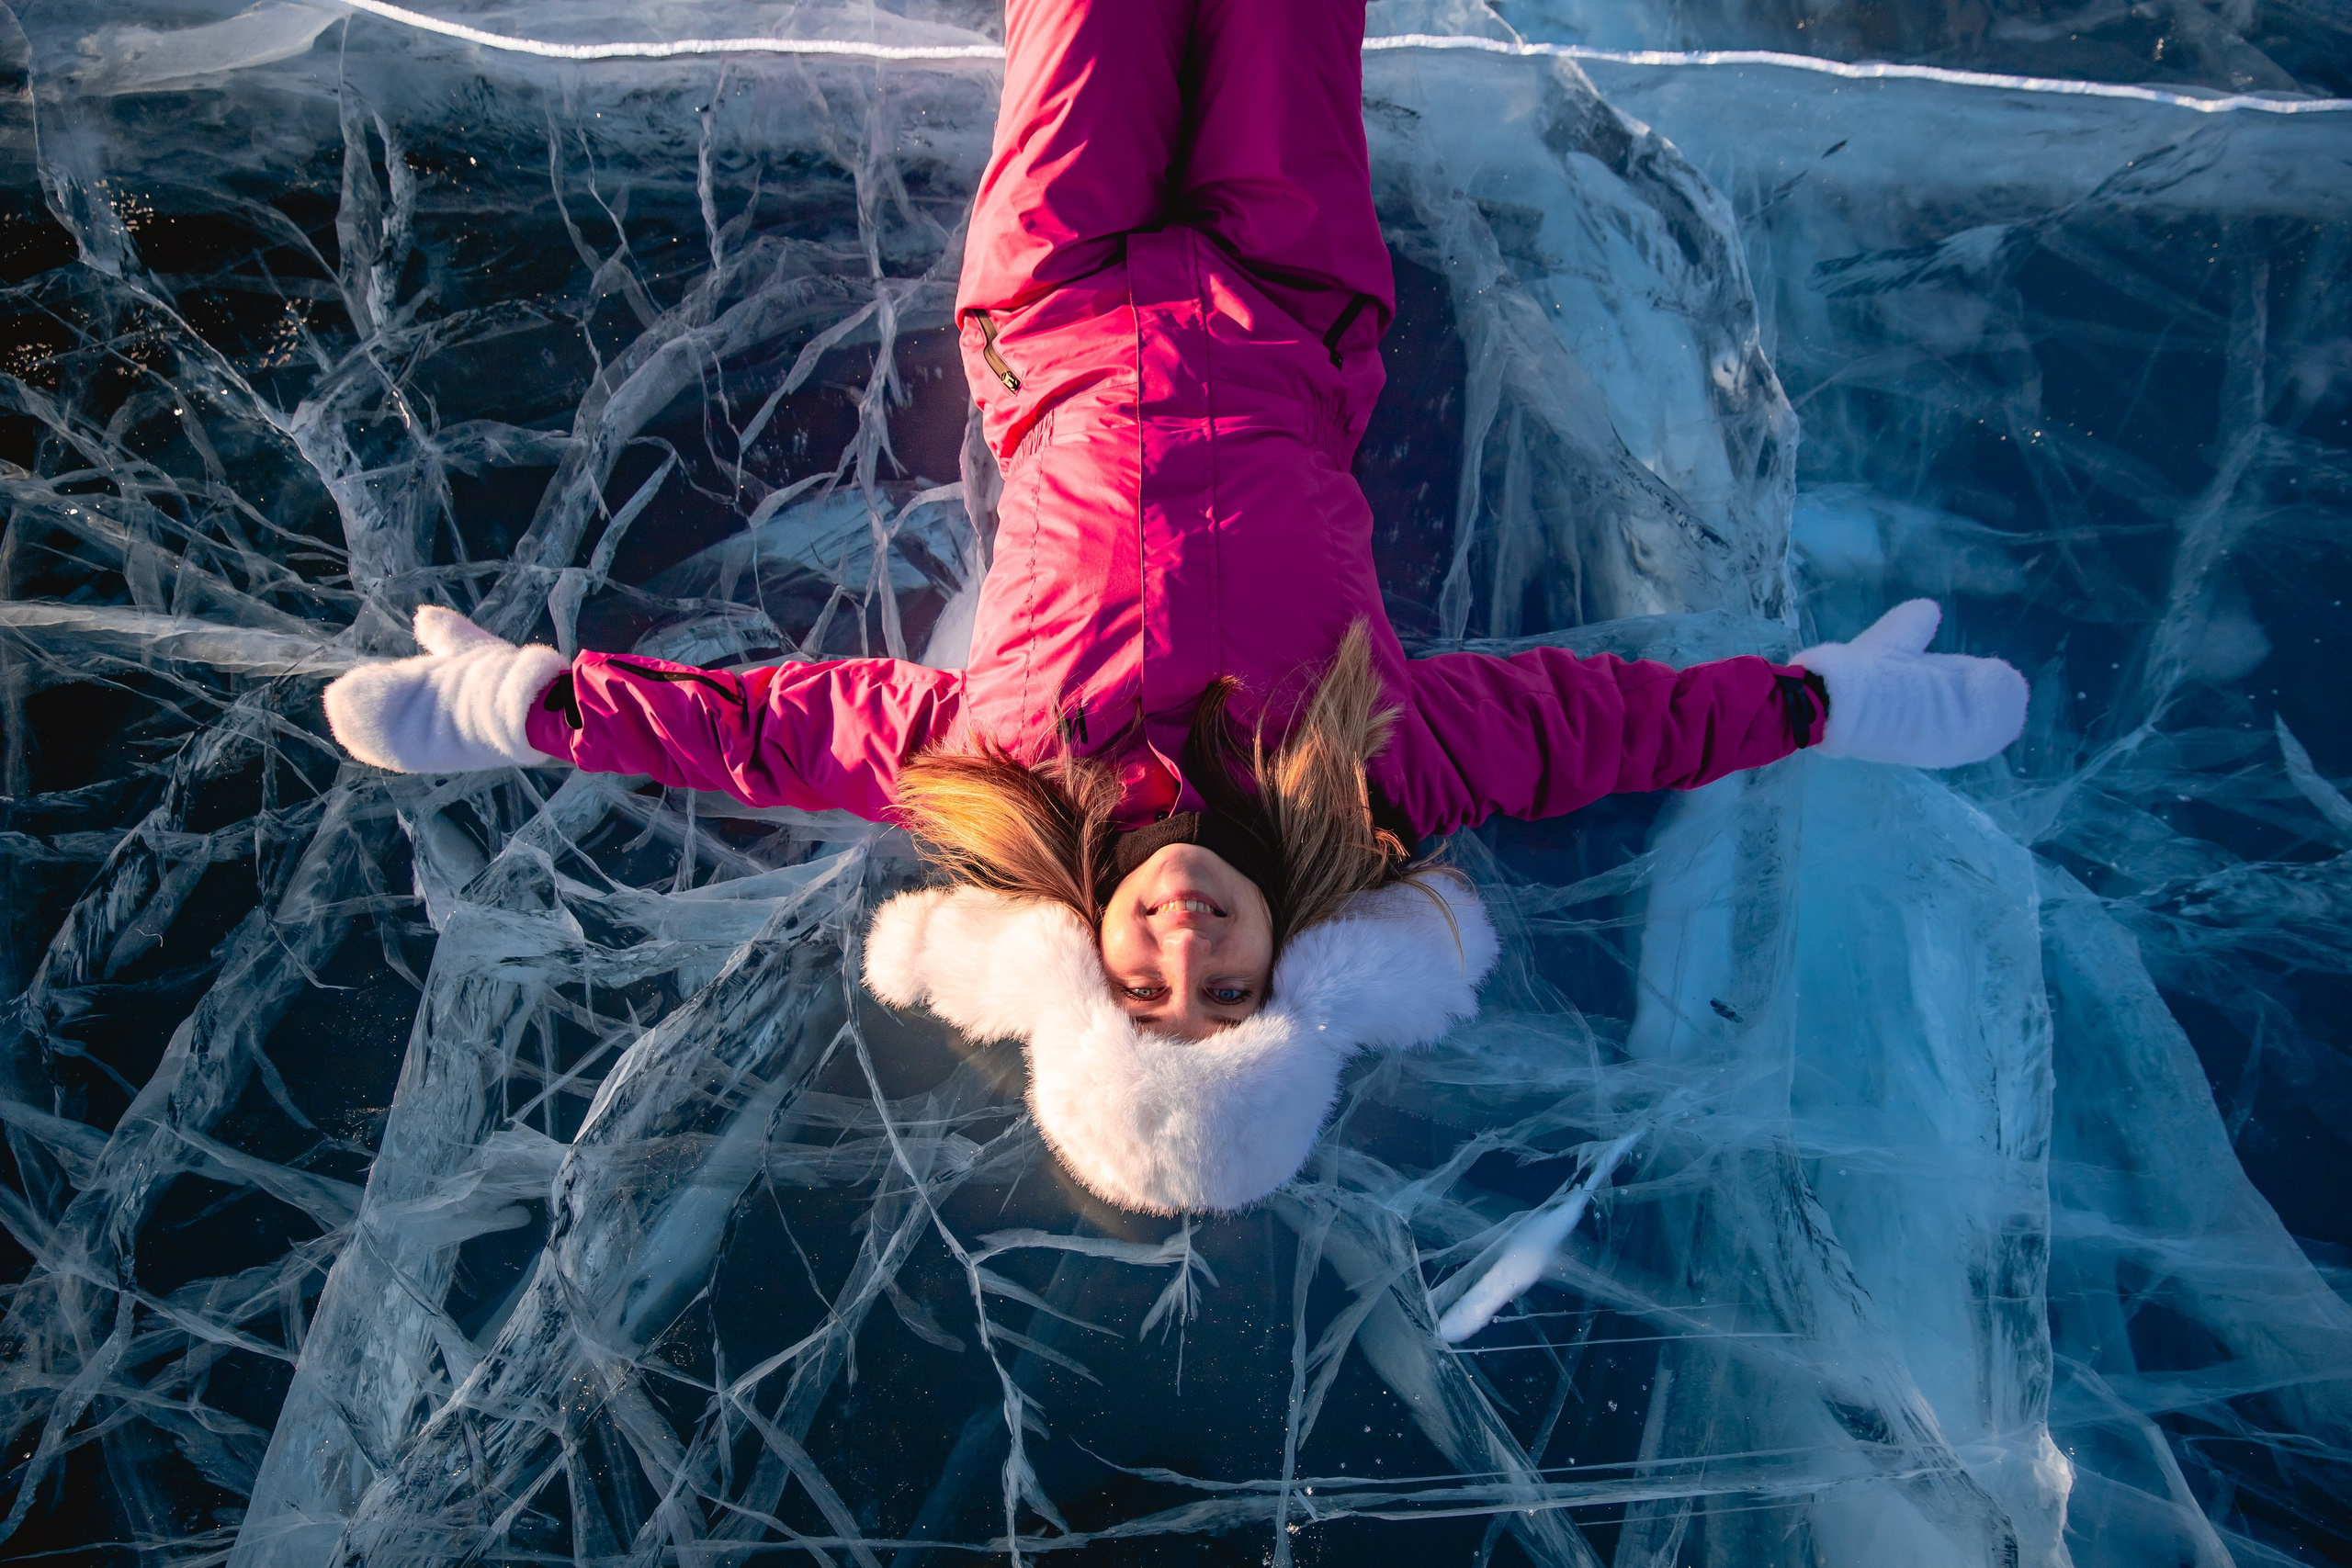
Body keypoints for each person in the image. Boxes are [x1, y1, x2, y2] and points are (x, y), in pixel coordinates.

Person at [321, 0, 2026, 1214]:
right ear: (1298, 980)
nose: (1185, 956)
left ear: (1081, 976)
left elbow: (762, 735)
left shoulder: (1003, 774)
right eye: (1231, 1000)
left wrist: (524, 709)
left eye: (1146, 1001)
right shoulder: (1380, 787)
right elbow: (1610, 730)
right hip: (1294, 299)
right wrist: (1824, 704)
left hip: (1058, 297)